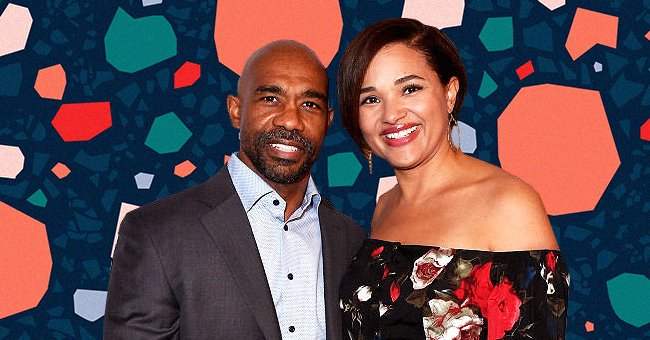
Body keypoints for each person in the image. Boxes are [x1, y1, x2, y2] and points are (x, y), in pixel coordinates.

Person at [104, 40, 366, 339]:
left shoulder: (351, 240)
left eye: (310, 104)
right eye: (270, 98)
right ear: (236, 110)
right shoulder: (155, 232)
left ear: (327, 120)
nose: (291, 120)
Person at [337, 18, 569, 339]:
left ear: (449, 94)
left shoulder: (508, 204)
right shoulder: (385, 206)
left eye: (410, 88)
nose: (391, 114)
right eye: (371, 99)